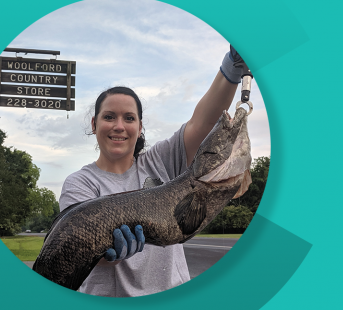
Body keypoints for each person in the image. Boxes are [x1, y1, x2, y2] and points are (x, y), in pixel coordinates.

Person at [58, 46, 250, 297]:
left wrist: (233, 66)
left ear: (139, 127)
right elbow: (76, 250)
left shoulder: (160, 160)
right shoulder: (79, 183)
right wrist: (108, 253)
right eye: (109, 117)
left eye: (129, 118)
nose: (119, 126)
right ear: (94, 124)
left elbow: (202, 123)